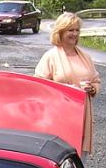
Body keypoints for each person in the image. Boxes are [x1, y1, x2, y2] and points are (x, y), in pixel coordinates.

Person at [34, 12, 101, 154]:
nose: (75, 34)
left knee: (79, 161)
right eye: (71, 30)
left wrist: (92, 88)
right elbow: (38, 86)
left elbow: (96, 81)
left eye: (77, 30)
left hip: (82, 116)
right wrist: (64, 89)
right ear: (61, 31)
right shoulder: (50, 57)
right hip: (59, 116)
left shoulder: (86, 57)